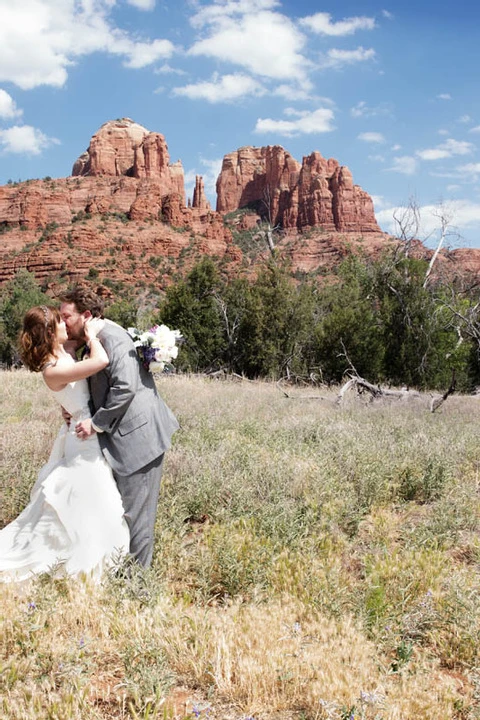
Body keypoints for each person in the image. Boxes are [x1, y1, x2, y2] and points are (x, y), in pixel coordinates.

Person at [0, 306, 130, 582]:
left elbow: (73, 349)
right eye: (60, 323)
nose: (65, 327)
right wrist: (93, 336)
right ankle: (82, 563)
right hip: (83, 438)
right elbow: (101, 361)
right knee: (96, 500)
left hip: (84, 427)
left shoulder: (61, 352)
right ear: (49, 332)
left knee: (90, 501)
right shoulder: (51, 370)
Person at [59, 287, 179, 568]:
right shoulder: (92, 339)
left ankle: (138, 587)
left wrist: (95, 423)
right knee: (121, 512)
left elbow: (126, 387)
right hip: (121, 440)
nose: (62, 323)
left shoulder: (111, 336)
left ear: (86, 315)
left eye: (66, 316)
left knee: (138, 517)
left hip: (139, 440)